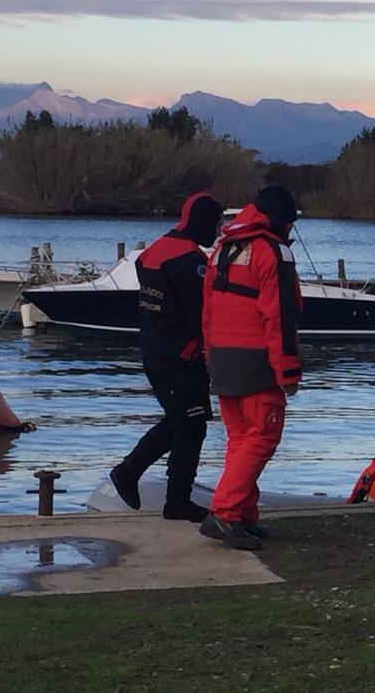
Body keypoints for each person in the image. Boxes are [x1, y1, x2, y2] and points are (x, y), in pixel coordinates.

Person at [199, 186, 303, 550]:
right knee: (263, 435)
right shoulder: (274, 252)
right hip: (257, 359)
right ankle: (227, 512)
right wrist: (288, 371)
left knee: (240, 439)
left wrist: (211, 356)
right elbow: (279, 316)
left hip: (223, 358)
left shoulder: (221, 249)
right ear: (282, 221)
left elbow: (208, 311)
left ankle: (243, 515)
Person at [109, 191, 223, 523]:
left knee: (188, 423)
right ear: (203, 221)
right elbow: (199, 317)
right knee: (187, 422)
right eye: (216, 224)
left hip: (153, 353)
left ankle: (176, 502)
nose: (218, 231)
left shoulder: (152, 253)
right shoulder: (192, 262)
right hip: (181, 358)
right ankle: (131, 471)